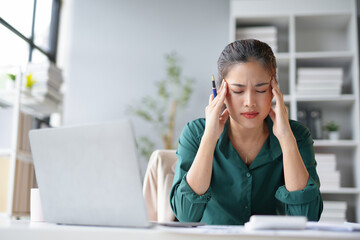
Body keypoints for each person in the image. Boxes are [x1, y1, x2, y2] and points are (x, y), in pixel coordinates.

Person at [169, 39, 323, 225]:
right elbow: (186, 214)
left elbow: (307, 217)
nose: (250, 101)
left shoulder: (297, 136)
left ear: (274, 91)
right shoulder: (195, 133)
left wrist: (286, 139)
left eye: (261, 89)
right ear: (221, 93)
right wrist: (209, 138)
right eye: (238, 91)